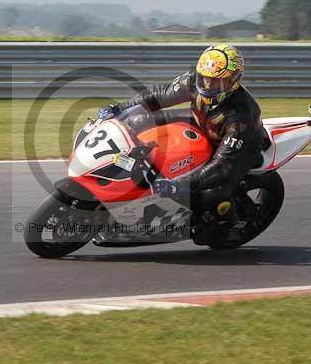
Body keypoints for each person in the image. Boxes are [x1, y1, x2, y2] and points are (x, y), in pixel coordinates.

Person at [97, 44, 264, 243]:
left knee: (212, 192)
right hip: (202, 125)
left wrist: (180, 184)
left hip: (239, 152)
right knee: (141, 121)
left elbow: (223, 165)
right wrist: (120, 109)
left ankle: (229, 223)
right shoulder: (194, 80)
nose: (209, 86)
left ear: (233, 81)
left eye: (217, 82)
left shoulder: (242, 114)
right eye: (206, 79)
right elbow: (159, 95)